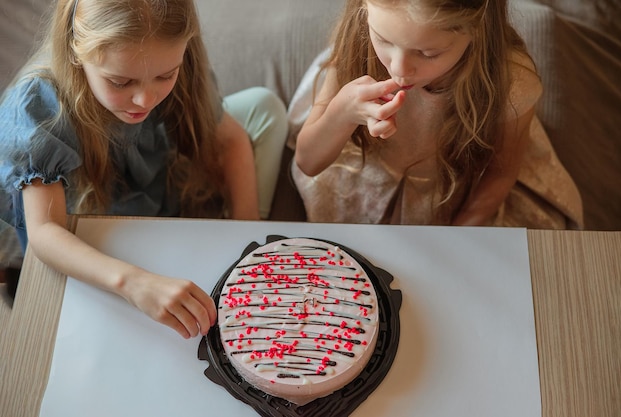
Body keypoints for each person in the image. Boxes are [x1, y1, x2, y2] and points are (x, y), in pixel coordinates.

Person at [0, 0, 288, 338]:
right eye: (121, 82)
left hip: (159, 201)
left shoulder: (169, 61)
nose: (145, 100)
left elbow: (231, 140)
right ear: (77, 53)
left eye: (166, 76)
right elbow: (45, 234)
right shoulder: (37, 105)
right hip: (87, 225)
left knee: (265, 106)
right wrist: (134, 283)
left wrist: (246, 238)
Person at [291, 0, 583, 228]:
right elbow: (308, 160)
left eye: (428, 53)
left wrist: (457, 234)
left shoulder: (510, 81)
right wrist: (342, 112)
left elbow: (501, 172)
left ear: (477, 29)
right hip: (358, 183)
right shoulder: (355, 47)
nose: (399, 69)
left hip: (454, 195)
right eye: (384, 40)